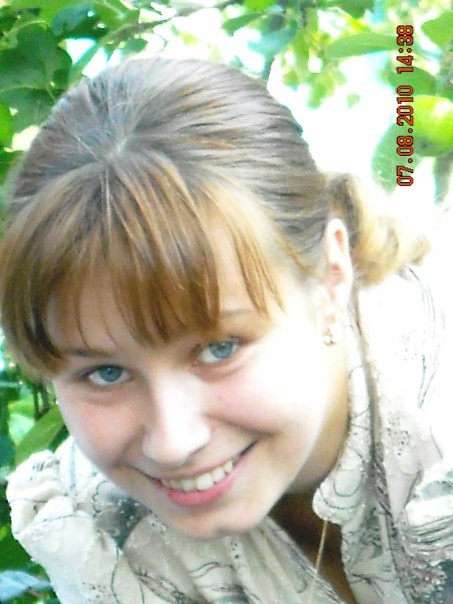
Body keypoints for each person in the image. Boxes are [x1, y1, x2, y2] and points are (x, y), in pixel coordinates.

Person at [0, 56, 451, 604]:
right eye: (106, 372)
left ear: (330, 278)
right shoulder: (108, 535)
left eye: (219, 348)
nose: (172, 444)